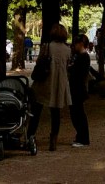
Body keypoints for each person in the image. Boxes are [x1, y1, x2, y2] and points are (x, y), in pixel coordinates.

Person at [27, 23, 72, 151]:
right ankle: (53, 140)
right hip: (59, 82)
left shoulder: (47, 47)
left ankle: (30, 136)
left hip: (45, 81)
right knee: (56, 113)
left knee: (36, 111)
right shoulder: (67, 49)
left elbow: (39, 62)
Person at [69, 34, 92, 147]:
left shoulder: (83, 57)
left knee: (78, 114)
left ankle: (83, 138)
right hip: (77, 88)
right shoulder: (80, 56)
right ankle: (80, 136)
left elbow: (78, 74)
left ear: (81, 44)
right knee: (76, 114)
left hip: (77, 89)